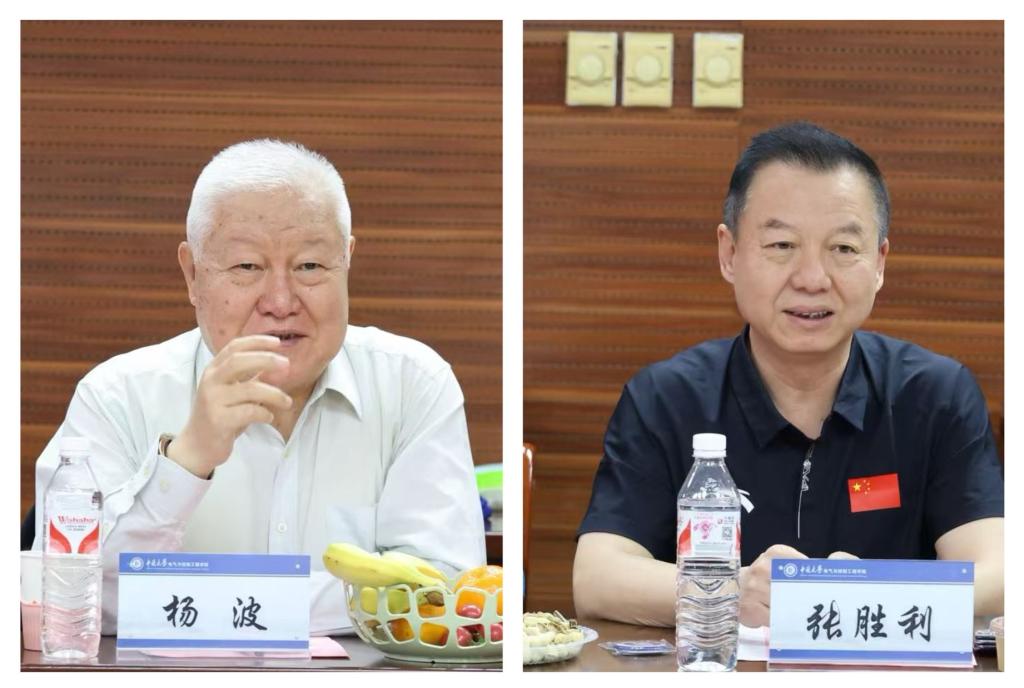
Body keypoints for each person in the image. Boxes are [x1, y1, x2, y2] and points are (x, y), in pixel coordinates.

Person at [31, 139, 486, 634]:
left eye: (310, 266)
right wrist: (186, 461)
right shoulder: (116, 395)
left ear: (347, 261)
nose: (281, 301)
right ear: (192, 275)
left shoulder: (413, 384)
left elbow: (441, 588)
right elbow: (64, 596)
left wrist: (190, 600)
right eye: (247, 267)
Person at [573, 122, 1004, 628]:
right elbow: (596, 578)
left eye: (843, 249)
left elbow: (999, 574)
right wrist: (732, 590)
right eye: (781, 245)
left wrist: (864, 595)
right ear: (729, 254)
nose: (812, 279)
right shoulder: (666, 399)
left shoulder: (935, 396)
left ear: (880, 263)